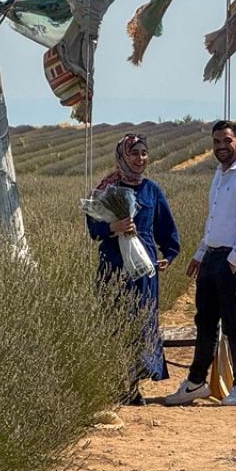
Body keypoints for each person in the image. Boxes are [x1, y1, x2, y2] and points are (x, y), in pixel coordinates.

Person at [164, 120, 236, 407]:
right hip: (212, 256)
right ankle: (196, 382)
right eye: (217, 142)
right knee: (205, 323)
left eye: (227, 141)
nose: (221, 147)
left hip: (234, 260)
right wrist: (200, 254)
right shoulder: (220, 175)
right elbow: (214, 220)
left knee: (234, 324)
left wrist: (235, 260)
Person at [87, 133, 181, 406]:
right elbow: (93, 230)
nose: (140, 159)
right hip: (114, 270)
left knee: (142, 324)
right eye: (134, 153)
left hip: (144, 271)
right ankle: (118, 382)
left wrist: (169, 255)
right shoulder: (106, 189)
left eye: (143, 153)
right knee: (115, 322)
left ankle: (133, 384)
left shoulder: (152, 190)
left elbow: (166, 229)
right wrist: (112, 228)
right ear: (122, 156)